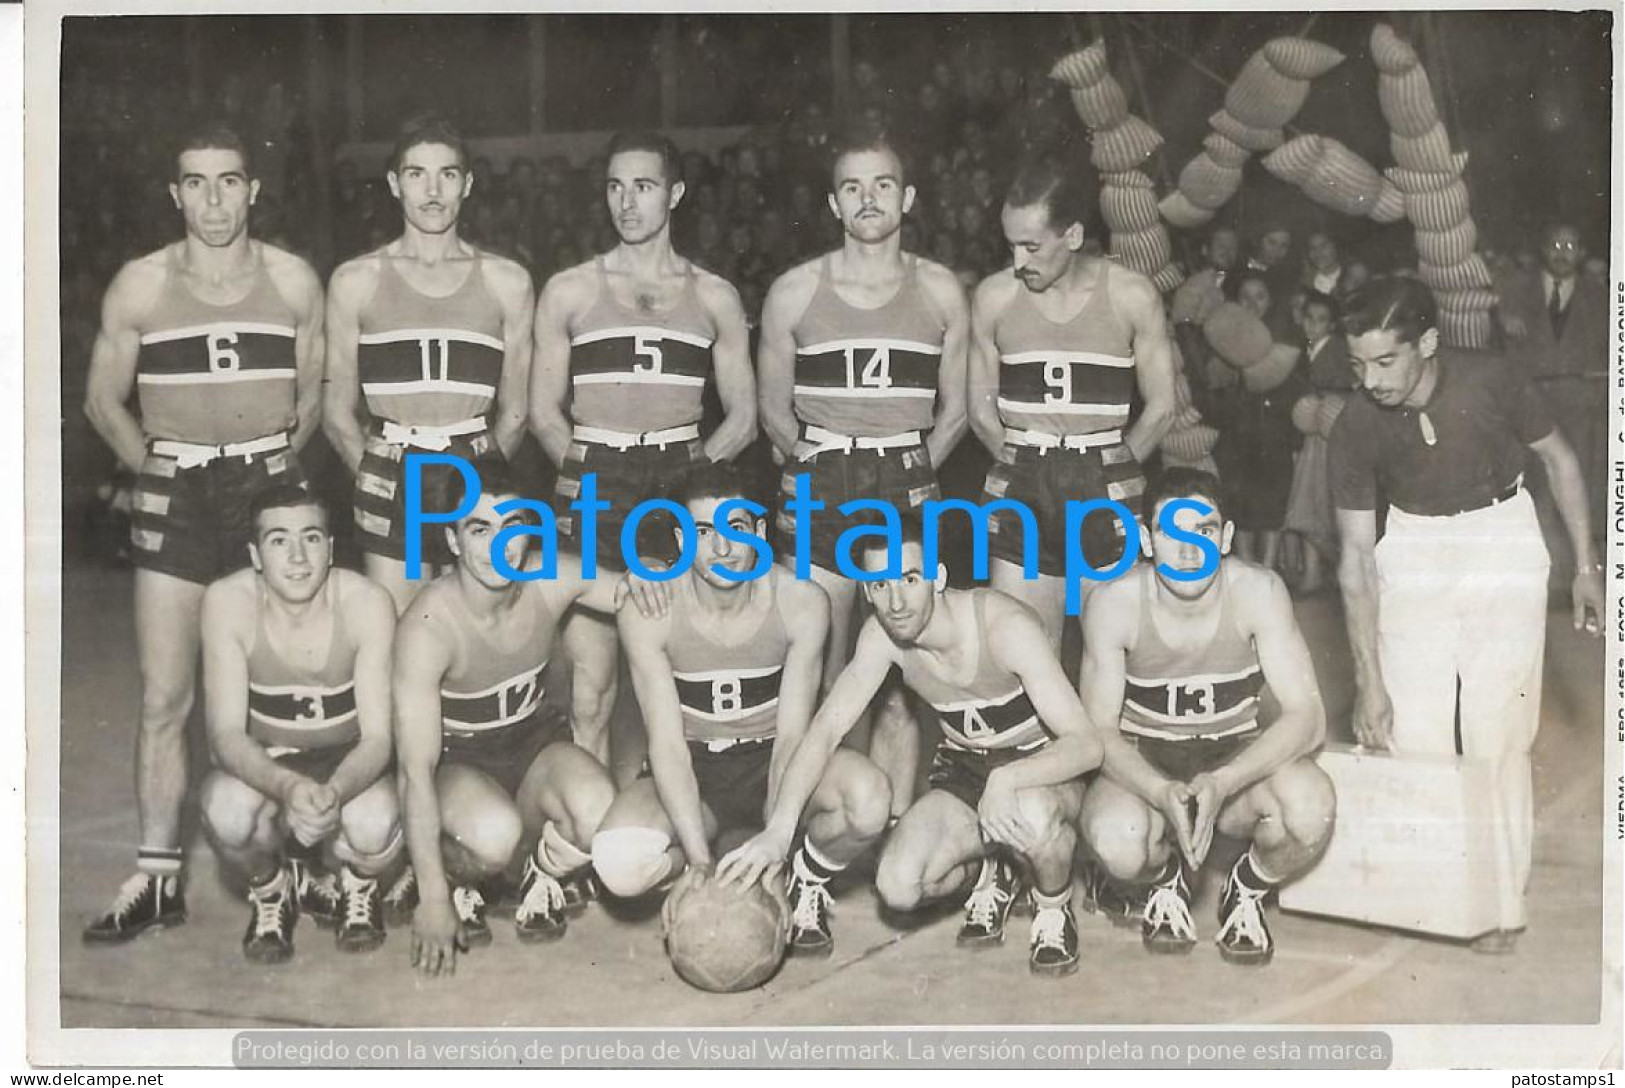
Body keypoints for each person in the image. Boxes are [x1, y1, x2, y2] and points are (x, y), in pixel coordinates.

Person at [82, 123, 325, 942]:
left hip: (266, 484)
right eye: (197, 183)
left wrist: (280, 478)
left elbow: (315, 391)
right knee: (165, 696)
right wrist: (150, 467)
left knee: (282, 686)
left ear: (253, 190)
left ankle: (294, 863)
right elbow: (100, 401)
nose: (214, 199)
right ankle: (157, 876)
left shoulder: (292, 280)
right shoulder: (140, 286)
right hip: (176, 486)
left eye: (230, 182)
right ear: (174, 193)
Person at [1331, 276, 1604, 954]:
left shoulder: (1492, 379)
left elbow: (1559, 460)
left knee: (1495, 732)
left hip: (1499, 539)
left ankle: (1499, 904)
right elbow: (1356, 558)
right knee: (1410, 733)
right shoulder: (1355, 423)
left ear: (1425, 343)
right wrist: (1367, 679)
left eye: (1384, 361)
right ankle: (1435, 896)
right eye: (1356, 364)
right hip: (1412, 547)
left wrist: (1586, 568)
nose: (1370, 379)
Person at [718, 518, 1106, 977]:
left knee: (1035, 817)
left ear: (937, 578)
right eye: (879, 584)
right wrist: (781, 832)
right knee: (898, 886)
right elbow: (824, 732)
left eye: (909, 579)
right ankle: (995, 870)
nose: (895, 601)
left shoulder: (1005, 626)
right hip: (967, 773)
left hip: (1041, 770)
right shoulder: (882, 639)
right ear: (865, 591)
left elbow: (1085, 745)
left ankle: (1052, 908)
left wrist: (1010, 778)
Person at [593, 464, 891, 956]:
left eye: (736, 527)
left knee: (869, 799)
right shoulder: (651, 609)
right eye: (703, 531)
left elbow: (793, 738)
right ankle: (709, 855)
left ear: (759, 531)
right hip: (696, 765)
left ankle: (806, 873)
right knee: (616, 862)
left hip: (771, 759)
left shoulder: (801, 602)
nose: (722, 548)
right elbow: (666, 746)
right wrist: (697, 864)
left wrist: (778, 844)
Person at [756, 121, 968, 812]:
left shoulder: (939, 291)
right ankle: (829, 826)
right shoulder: (792, 290)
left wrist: (906, 467)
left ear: (907, 198)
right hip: (821, 479)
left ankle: (894, 824)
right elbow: (771, 413)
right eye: (852, 187)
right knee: (820, 661)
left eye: (882, 185)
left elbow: (958, 410)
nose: (867, 199)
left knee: (905, 672)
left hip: (904, 480)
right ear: (832, 204)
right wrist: (825, 463)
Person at [529, 131, 757, 775]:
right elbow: (544, 411)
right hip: (596, 476)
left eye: (644, 186)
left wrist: (692, 484)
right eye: (615, 187)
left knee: (686, 670)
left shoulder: (713, 295)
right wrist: (582, 468)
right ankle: (585, 829)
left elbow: (742, 416)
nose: (627, 202)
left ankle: (680, 828)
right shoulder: (570, 290)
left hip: (678, 478)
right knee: (592, 685)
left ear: (675, 193)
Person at [393, 459, 663, 977]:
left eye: (512, 526)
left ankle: (539, 874)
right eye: (480, 528)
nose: (499, 546)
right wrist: (430, 898)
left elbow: (635, 592)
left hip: (533, 744)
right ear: (452, 540)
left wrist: (659, 575)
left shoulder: (550, 575)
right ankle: (458, 880)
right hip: (460, 761)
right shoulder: (427, 627)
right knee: (493, 833)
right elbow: (413, 772)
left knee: (599, 810)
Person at [1078, 469, 1334, 965]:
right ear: (1146, 540)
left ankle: (1247, 887)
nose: (1189, 549)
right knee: (1118, 840)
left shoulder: (1258, 590)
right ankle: (1162, 877)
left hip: (1232, 760)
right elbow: (1098, 733)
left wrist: (1225, 780)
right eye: (1171, 533)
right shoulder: (1113, 602)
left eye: (1205, 530)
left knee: (1309, 805)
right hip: (1145, 763)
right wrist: (1156, 791)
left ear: (1227, 538)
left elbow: (1309, 717)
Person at [324, 113, 536, 614]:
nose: (433, 190)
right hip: (393, 467)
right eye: (417, 174)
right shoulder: (355, 280)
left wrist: (481, 481)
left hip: (474, 464)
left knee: (471, 632)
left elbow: (517, 412)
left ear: (468, 184)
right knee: (401, 636)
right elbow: (336, 413)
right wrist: (380, 478)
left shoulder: (508, 281)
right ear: (395, 184)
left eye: (448, 174)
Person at [966, 154, 1177, 647]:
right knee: (1024, 647)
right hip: (1023, 478)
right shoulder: (994, 297)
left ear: (1074, 237)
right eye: (1011, 245)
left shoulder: (1131, 295)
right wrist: (1024, 464)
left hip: (1103, 478)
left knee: (1112, 646)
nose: (1019, 262)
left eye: (1032, 247)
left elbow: (1162, 406)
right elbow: (979, 409)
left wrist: (1111, 469)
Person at [198, 488, 401, 963]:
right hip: (271, 760)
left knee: (375, 824)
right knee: (225, 811)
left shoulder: (367, 602)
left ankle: (357, 883)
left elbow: (378, 739)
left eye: (311, 538)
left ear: (330, 548)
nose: (296, 557)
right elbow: (224, 736)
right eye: (277, 540)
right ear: (254, 554)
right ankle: (273, 888)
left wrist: (334, 791)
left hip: (346, 758)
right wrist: (288, 787)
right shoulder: (226, 601)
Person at [1496, 223, 1609, 578]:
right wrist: (1501, 320)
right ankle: (1541, 576)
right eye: (1555, 245)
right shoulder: (1513, 291)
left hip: (1580, 404)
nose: (1562, 252)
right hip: (1529, 400)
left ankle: (1577, 573)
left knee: (1580, 482)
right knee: (1534, 486)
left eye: (1571, 246)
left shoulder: (1601, 293)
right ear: (1543, 250)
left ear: (1583, 253)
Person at [1283, 290, 1354, 595]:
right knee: (1308, 504)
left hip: (1328, 440)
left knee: (1316, 504)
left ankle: (1333, 573)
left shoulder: (1338, 351)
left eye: (1321, 320)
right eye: (1308, 318)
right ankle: (1314, 573)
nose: (1313, 325)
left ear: (1333, 324)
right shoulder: (1303, 349)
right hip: (1309, 437)